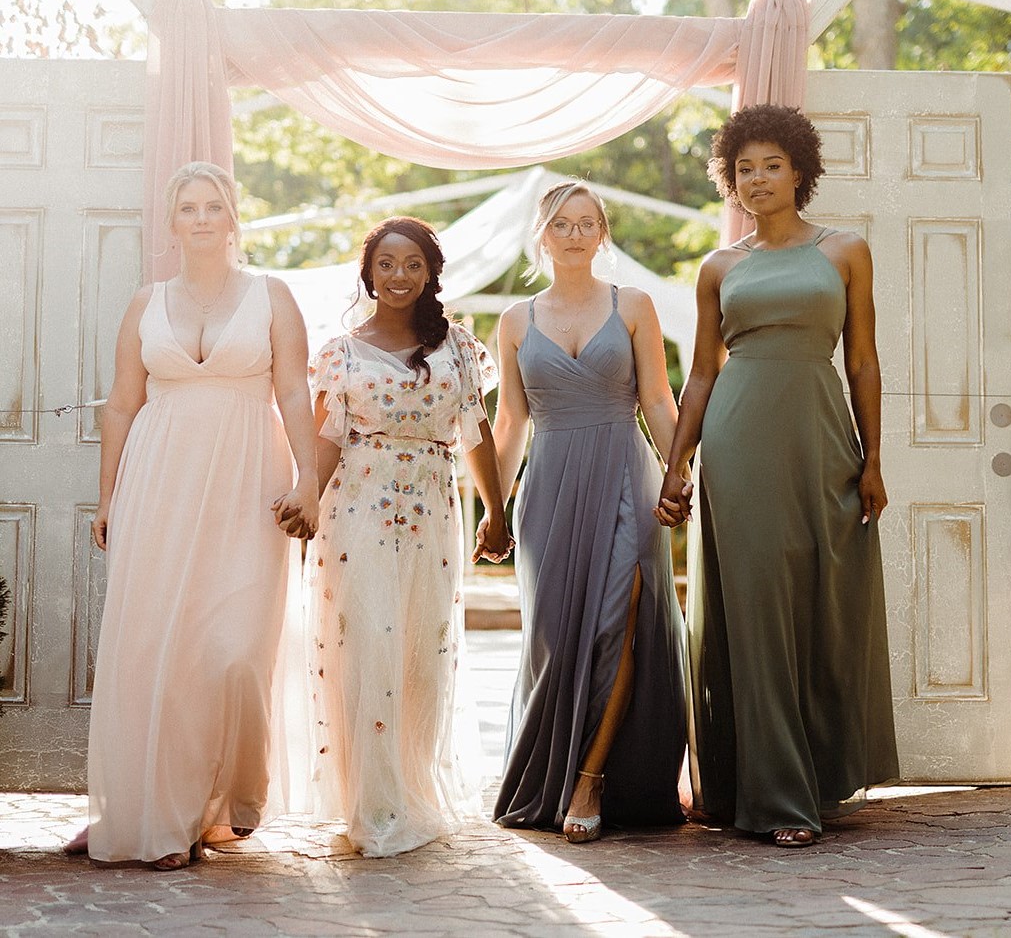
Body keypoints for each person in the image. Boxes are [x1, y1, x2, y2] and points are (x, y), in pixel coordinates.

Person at [657, 103, 899, 848]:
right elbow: (700, 374)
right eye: (743, 169)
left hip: (823, 437)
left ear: (799, 171)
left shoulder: (846, 250)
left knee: (822, 599)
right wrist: (677, 465)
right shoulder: (719, 266)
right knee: (757, 609)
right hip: (738, 442)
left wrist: (873, 457)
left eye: (770, 165)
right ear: (730, 182)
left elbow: (861, 358)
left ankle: (819, 774)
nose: (756, 179)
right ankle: (777, 796)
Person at [67, 161, 318, 869]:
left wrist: (309, 480)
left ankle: (233, 790)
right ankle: (169, 817)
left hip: (248, 480)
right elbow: (122, 402)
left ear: (233, 216)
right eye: (189, 207)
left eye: (215, 205)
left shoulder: (273, 295)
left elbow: (296, 393)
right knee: (160, 650)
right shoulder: (147, 301)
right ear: (172, 222)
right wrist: (108, 494)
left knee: (235, 650)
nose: (203, 218)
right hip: (160, 483)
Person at [305, 215, 512, 858]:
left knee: (422, 648)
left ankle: (412, 786)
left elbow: (475, 432)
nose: (399, 276)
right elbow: (327, 437)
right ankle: (375, 806)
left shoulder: (458, 348)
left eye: (413, 265)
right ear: (368, 273)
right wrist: (305, 499)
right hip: (358, 509)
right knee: (366, 640)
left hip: (432, 508)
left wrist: (496, 511)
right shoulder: (340, 352)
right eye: (386, 264)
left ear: (430, 274)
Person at [491, 180, 686, 843]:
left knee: (616, 622)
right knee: (553, 634)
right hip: (547, 489)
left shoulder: (633, 305)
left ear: (602, 233)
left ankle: (593, 777)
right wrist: (493, 508)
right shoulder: (516, 320)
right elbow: (510, 422)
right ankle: (553, 769)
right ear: (541, 235)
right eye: (561, 224)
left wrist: (680, 474)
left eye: (586, 223)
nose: (574, 234)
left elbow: (659, 401)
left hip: (626, 473)